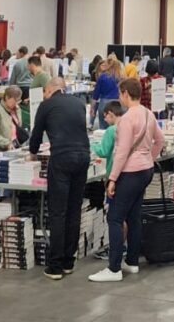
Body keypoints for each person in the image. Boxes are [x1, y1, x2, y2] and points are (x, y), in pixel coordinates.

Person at [89, 79, 164, 282]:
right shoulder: (148, 114)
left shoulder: (127, 119)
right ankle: (132, 262)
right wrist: (149, 157)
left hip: (130, 172)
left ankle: (114, 269)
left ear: (125, 94)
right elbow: (160, 140)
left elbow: (121, 152)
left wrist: (112, 178)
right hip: (146, 170)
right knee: (133, 216)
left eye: (120, 94)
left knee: (114, 218)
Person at [30, 78, 91, 280]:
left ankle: (55, 266)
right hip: (83, 156)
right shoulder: (79, 103)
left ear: (49, 90)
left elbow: (36, 134)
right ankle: (68, 262)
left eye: (45, 92)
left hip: (62, 158)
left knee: (58, 212)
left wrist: (32, 152)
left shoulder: (46, 105)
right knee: (74, 210)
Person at [0, 85, 25, 152]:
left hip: (14, 148)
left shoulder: (18, 109)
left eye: (18, 100)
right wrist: (7, 143)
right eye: (15, 100)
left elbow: (18, 128)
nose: (16, 103)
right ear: (7, 97)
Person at [90, 100, 124, 175]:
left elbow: (103, 151)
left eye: (105, 116)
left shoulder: (111, 130)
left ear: (110, 113)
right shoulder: (127, 125)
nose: (105, 120)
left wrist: (91, 146)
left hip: (114, 169)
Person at [93, 60, 120, 129]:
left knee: (103, 128)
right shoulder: (120, 78)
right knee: (116, 128)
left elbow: (96, 94)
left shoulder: (102, 76)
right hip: (117, 104)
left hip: (104, 103)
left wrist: (92, 107)